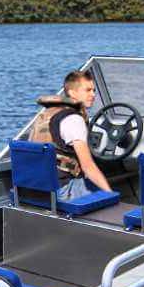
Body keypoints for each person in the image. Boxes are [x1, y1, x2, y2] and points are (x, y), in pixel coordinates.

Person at [28, 70, 113, 200]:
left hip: (34, 187)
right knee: (111, 198)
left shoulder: (47, 113)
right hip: (61, 190)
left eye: (94, 90)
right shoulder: (74, 120)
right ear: (72, 93)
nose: (93, 94)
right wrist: (111, 194)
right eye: (88, 90)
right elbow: (88, 167)